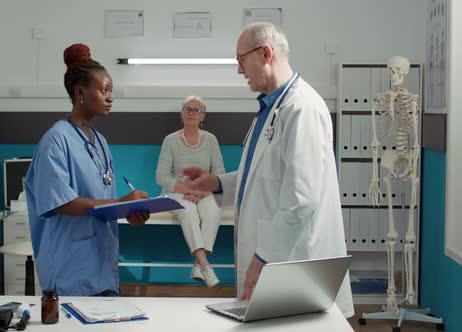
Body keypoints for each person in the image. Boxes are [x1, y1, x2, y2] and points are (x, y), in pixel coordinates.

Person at [182, 22, 354, 317]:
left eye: (241, 60)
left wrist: (263, 257)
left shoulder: (303, 109)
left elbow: (302, 200)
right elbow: (266, 176)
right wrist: (217, 183)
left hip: (295, 259)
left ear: (264, 53)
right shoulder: (271, 109)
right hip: (278, 257)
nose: (239, 70)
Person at [24, 43, 149, 297]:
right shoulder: (55, 140)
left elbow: (103, 204)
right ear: (80, 92)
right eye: (104, 90)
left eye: (111, 91)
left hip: (102, 264)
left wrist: (128, 211)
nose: (110, 97)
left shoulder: (100, 142)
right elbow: (60, 203)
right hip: (70, 267)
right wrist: (119, 201)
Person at [155, 96, 225, 287]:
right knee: (188, 211)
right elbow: (161, 175)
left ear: (203, 115)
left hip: (204, 192)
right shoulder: (170, 140)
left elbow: (219, 172)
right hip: (177, 192)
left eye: (197, 110)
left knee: (213, 211)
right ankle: (205, 266)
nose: (192, 113)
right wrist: (188, 190)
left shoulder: (211, 140)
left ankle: (197, 266)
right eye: (188, 109)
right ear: (181, 114)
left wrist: (203, 191)